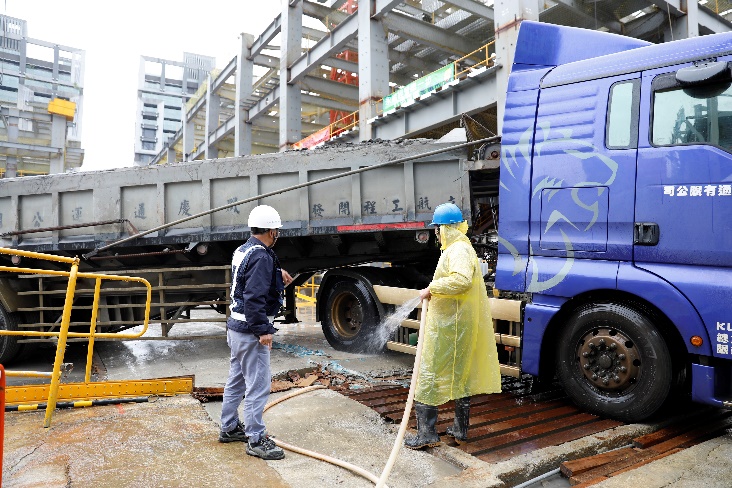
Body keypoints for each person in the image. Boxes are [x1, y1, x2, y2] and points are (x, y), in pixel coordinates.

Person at [405, 202, 502, 449]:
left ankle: (427, 433)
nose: (435, 234)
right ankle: (460, 429)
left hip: (450, 326)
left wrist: (432, 288)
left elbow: (460, 281)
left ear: (445, 228)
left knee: (428, 373)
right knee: (460, 374)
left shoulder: (457, 250)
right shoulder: (462, 247)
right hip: (458, 324)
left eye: (437, 229)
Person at [219, 204, 293, 461]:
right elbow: (253, 297)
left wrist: (275, 274)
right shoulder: (262, 256)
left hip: (236, 328)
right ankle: (256, 438)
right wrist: (263, 330)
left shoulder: (244, 249)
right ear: (272, 231)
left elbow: (244, 279)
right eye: (277, 231)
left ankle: (228, 427)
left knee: (237, 380)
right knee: (258, 385)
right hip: (251, 332)